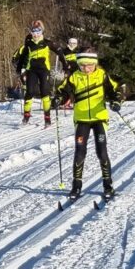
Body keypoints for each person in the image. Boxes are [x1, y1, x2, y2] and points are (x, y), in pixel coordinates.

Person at [53, 50, 122, 199]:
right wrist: (58, 98)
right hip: (82, 119)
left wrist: (116, 100)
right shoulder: (74, 77)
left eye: (90, 65)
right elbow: (63, 91)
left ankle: (108, 185)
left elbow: (115, 89)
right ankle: (76, 187)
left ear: (95, 64)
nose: (86, 68)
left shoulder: (102, 75)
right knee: (79, 152)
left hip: (99, 118)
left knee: (101, 152)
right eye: (83, 65)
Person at [11, 20, 57, 124]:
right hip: (29, 69)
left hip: (42, 69)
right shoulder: (27, 43)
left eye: (38, 30)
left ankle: (47, 117)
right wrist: (20, 69)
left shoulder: (44, 41)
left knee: (44, 91)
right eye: (33, 32)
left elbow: (56, 49)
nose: (35, 34)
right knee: (29, 91)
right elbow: (17, 57)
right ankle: (26, 115)